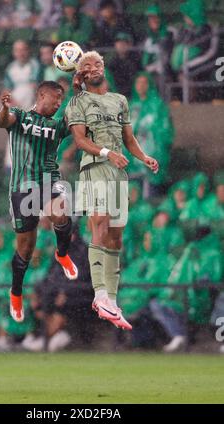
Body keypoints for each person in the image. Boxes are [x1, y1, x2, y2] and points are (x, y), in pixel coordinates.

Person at [65, 51, 159, 330]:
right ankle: (100, 295)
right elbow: (80, 141)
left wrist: (144, 157)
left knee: (116, 238)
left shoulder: (120, 100)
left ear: (104, 68)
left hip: (119, 171)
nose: (93, 68)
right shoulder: (78, 102)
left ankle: (113, 301)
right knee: (101, 224)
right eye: (86, 66)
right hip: (95, 167)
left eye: (97, 64)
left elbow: (128, 138)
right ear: (80, 73)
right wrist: (107, 153)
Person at [0, 81, 78, 323]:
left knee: (61, 215)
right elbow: (4, 122)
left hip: (48, 181)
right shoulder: (21, 117)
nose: (58, 103)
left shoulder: (57, 124)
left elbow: (79, 130)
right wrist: (3, 108)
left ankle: (62, 254)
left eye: (61, 99)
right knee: (25, 249)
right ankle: (16, 293)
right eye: (55, 98)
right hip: (22, 188)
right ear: (42, 95)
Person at [4, 40, 40, 110]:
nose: (21, 53)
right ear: (13, 53)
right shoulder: (10, 68)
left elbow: (34, 86)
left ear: (28, 50)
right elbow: (6, 89)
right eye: (17, 50)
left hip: (31, 103)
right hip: (14, 102)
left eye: (23, 50)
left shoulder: (35, 64)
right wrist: (14, 103)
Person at [108, 32, 141, 98]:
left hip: (133, 95)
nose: (121, 45)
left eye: (125, 42)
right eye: (119, 42)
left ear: (130, 45)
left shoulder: (135, 60)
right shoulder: (111, 61)